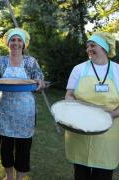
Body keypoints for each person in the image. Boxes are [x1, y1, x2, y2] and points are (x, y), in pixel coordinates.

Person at [0, 28, 45, 180]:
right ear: (8, 43)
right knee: (5, 146)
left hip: (25, 110)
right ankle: (9, 176)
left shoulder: (30, 61)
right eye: (13, 40)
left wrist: (40, 83)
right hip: (5, 109)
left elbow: (39, 78)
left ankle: (19, 177)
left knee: (23, 147)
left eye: (19, 40)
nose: (16, 43)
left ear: (24, 43)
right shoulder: (1, 61)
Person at [65, 32, 119, 180]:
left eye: (93, 45)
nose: (89, 48)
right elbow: (69, 94)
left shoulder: (117, 70)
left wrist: (112, 114)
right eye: (87, 46)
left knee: (103, 173)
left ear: (105, 48)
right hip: (80, 130)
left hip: (108, 131)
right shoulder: (79, 69)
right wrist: (71, 107)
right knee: (81, 173)